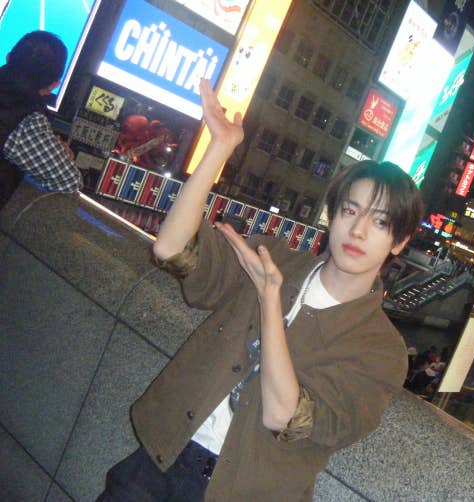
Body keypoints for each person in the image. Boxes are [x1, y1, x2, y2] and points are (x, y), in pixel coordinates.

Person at [98, 79, 424, 501]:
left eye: (380, 222)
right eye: (350, 211)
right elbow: (171, 248)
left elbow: (285, 416)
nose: (359, 230)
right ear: (333, 216)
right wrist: (219, 148)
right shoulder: (276, 257)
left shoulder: (382, 350)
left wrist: (271, 300)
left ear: (399, 241)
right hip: (160, 459)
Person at [0, 31, 82, 207]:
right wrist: (61, 155)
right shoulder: (25, 119)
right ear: (54, 85)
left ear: (8, 57)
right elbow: (69, 183)